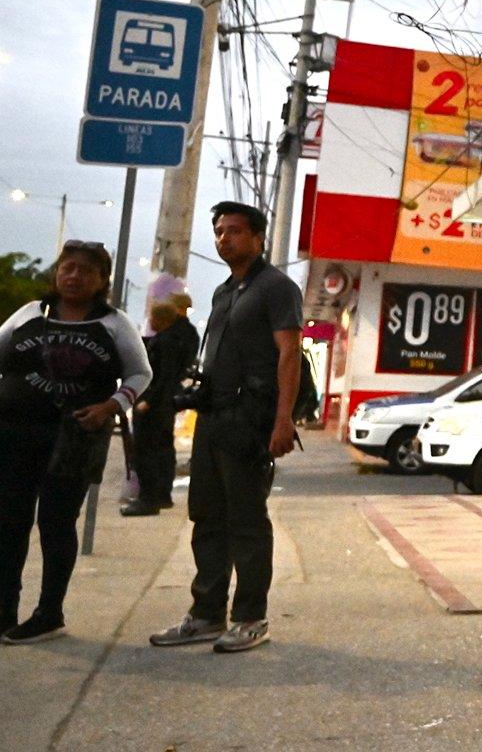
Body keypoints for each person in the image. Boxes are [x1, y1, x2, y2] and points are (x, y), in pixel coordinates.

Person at [0, 240, 152, 645]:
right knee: (10, 524)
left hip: (73, 440)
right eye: (68, 268)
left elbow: (141, 374)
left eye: (86, 271)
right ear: (57, 272)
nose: (74, 277)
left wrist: (110, 406)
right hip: (14, 433)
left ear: (102, 281)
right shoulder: (30, 314)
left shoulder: (114, 323)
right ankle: (3, 612)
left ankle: (48, 612)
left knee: (55, 524)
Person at [149, 202, 302, 654]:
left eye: (234, 231)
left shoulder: (277, 288)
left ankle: (251, 618)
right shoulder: (222, 292)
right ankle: (206, 614)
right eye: (218, 232)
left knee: (247, 522)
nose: (224, 239)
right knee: (207, 517)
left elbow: (289, 354)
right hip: (213, 417)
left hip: (251, 420)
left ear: (258, 238)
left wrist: (283, 420)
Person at [121, 290, 197, 516]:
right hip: (168, 398)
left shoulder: (168, 340)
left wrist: (149, 401)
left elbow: (162, 375)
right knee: (162, 448)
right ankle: (161, 494)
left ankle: (149, 498)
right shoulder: (183, 335)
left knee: (147, 450)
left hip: (156, 401)